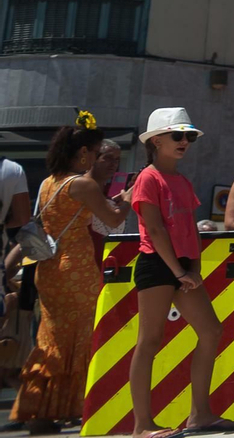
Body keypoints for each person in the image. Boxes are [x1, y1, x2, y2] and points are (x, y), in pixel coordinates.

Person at [9, 112, 129, 432]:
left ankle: (42, 409)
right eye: (95, 151)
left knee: (51, 339)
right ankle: (72, 407)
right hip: (76, 269)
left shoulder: (50, 182)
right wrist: (128, 199)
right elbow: (115, 220)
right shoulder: (84, 184)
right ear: (83, 153)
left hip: (47, 269)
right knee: (81, 339)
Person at [128, 108, 232, 438]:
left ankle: (200, 414)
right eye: (178, 136)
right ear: (156, 140)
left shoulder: (182, 180)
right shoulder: (148, 177)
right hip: (157, 263)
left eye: (189, 136)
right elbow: (155, 230)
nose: (185, 141)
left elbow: (189, 227)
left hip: (183, 266)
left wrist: (194, 267)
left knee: (212, 331)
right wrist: (179, 270)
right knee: (149, 341)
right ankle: (142, 426)